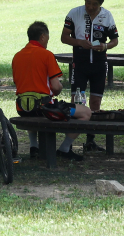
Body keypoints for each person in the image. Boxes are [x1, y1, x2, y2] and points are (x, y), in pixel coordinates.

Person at [12, 20, 91, 162]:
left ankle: (33, 146)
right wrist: (58, 90)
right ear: (42, 37)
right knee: (86, 112)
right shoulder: (46, 55)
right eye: (47, 38)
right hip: (44, 109)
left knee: (32, 107)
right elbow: (55, 86)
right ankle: (64, 149)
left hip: (22, 108)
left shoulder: (17, 56)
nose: (47, 42)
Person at [60, 0, 118, 152]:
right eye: (88, 3)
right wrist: (79, 42)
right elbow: (64, 37)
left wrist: (105, 46)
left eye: (94, 4)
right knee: (75, 102)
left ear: (100, 4)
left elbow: (115, 40)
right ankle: (68, 143)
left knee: (95, 103)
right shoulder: (74, 13)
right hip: (80, 64)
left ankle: (90, 141)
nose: (90, 7)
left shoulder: (107, 16)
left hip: (99, 64)